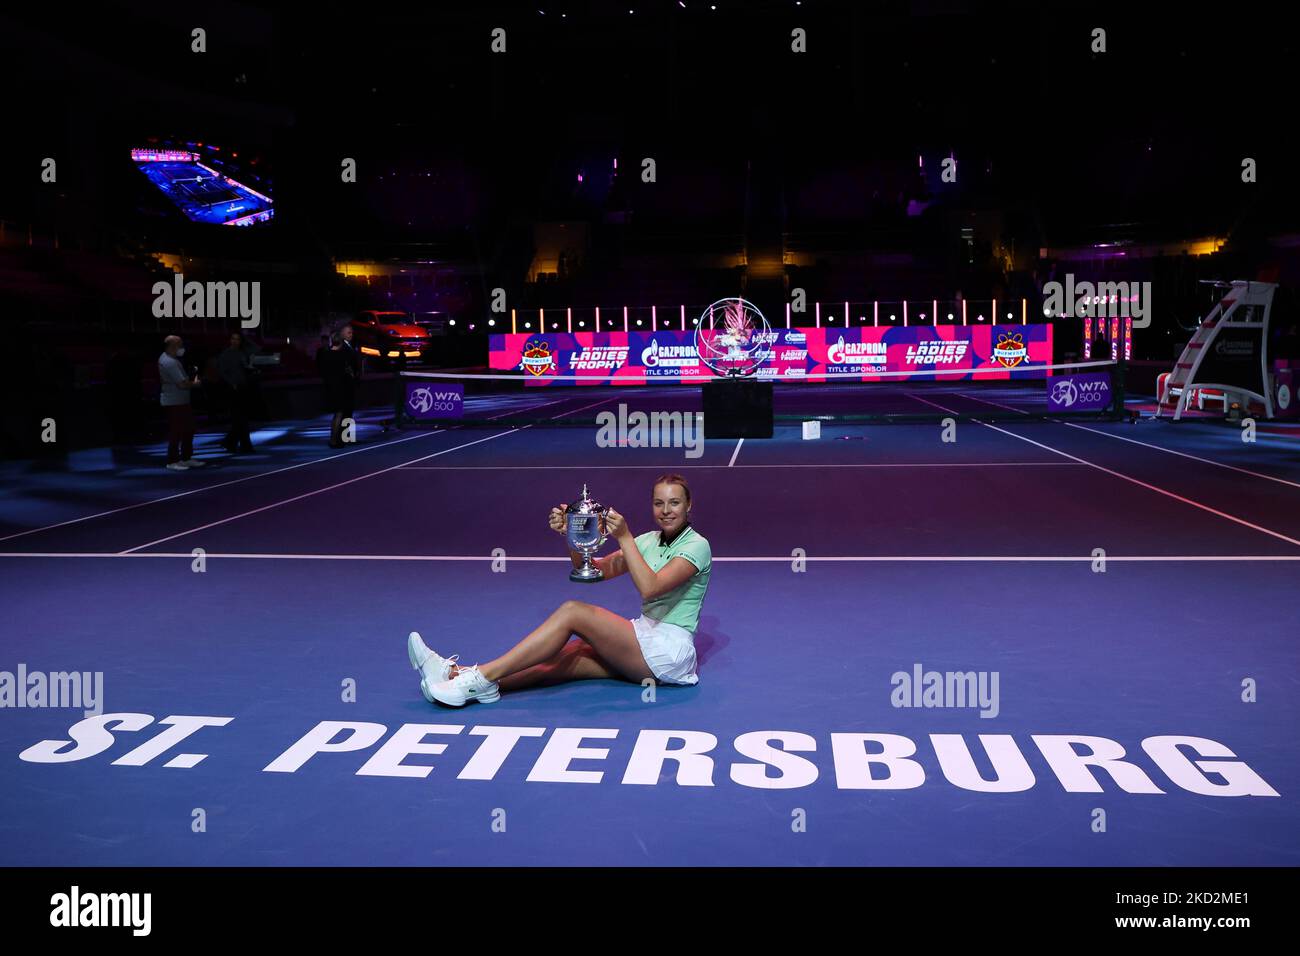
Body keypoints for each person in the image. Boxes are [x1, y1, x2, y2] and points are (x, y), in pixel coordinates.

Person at [407, 473, 711, 706]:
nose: (666, 510)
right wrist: (573, 533)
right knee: (567, 661)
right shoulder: (647, 541)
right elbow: (595, 571)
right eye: (659, 503)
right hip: (643, 640)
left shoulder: (697, 546)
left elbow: (651, 589)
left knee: (573, 612)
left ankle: (476, 677)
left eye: (674, 503)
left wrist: (625, 536)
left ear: (689, 505)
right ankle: (463, 679)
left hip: (669, 653)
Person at [158, 335, 204, 470]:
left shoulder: (173, 359)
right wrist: (196, 384)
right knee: (176, 432)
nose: (182, 347)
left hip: (182, 400)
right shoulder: (168, 362)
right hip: (174, 401)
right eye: (180, 345)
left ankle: (186, 458)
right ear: (172, 346)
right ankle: (172, 461)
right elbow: (182, 384)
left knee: (188, 429)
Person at [322, 325, 360, 448]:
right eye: (349, 333)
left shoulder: (327, 353)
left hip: (336, 386)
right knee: (341, 413)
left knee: (343, 412)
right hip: (342, 386)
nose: (351, 335)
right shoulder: (342, 353)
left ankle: (343, 437)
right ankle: (336, 439)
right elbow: (350, 368)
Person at [217, 331, 254, 453]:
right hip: (232, 389)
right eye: (233, 338)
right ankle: (242, 445)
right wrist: (231, 383)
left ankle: (231, 443)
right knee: (239, 419)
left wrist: (251, 369)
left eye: (237, 339)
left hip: (243, 388)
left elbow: (244, 368)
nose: (235, 341)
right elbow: (222, 372)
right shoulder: (226, 354)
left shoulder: (242, 353)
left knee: (242, 419)